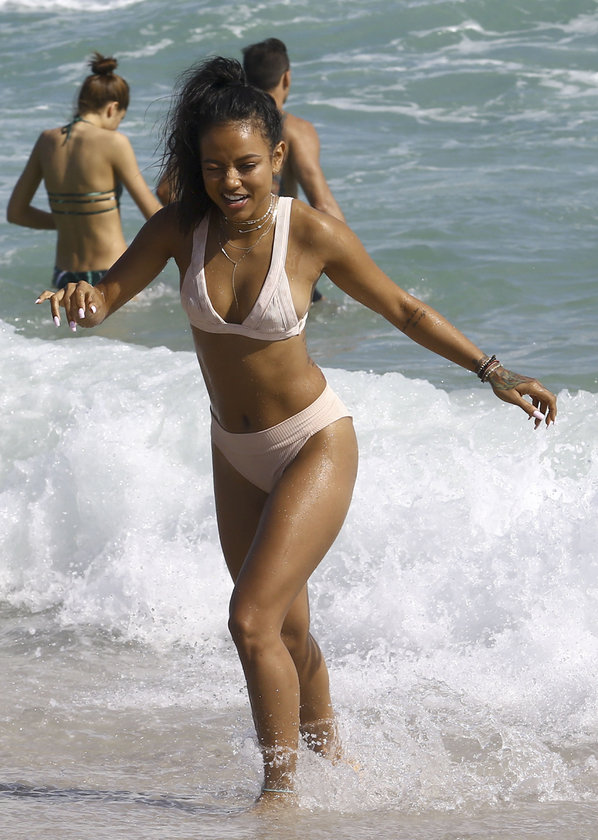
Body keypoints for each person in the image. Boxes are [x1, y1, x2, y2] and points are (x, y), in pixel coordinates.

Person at [35, 57, 557, 807]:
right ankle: (330, 755)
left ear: (277, 155)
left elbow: (404, 310)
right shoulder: (180, 229)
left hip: (313, 442)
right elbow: (104, 302)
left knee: (250, 621)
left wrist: (493, 371)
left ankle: (279, 794)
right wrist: (79, 297)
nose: (230, 181)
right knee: (284, 631)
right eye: (213, 166)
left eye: (246, 164)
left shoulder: (309, 233)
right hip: (233, 452)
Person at [7, 52, 161, 289]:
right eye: (120, 119)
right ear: (112, 109)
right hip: (109, 274)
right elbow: (155, 216)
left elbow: (16, 213)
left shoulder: (47, 141)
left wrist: (68, 220)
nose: (116, 126)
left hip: (63, 275)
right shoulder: (114, 142)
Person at [241, 38, 345, 223]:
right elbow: (322, 205)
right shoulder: (294, 129)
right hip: (274, 235)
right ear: (286, 77)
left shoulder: (226, 126)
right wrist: (350, 242)